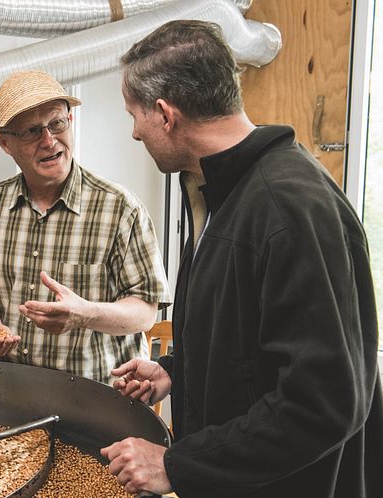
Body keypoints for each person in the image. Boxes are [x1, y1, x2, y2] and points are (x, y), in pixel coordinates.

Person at [100, 19, 383, 497]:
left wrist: (175, 464)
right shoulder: (220, 193)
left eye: (135, 115)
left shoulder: (289, 209)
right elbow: (254, 342)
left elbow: (324, 404)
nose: (133, 133)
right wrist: (178, 371)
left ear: (166, 115)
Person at [0, 70, 171, 385]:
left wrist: (85, 314)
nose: (49, 141)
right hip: (15, 397)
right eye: (30, 131)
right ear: (4, 143)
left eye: (56, 123)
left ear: (70, 119)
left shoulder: (120, 208)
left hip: (97, 400)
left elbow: (146, 312)